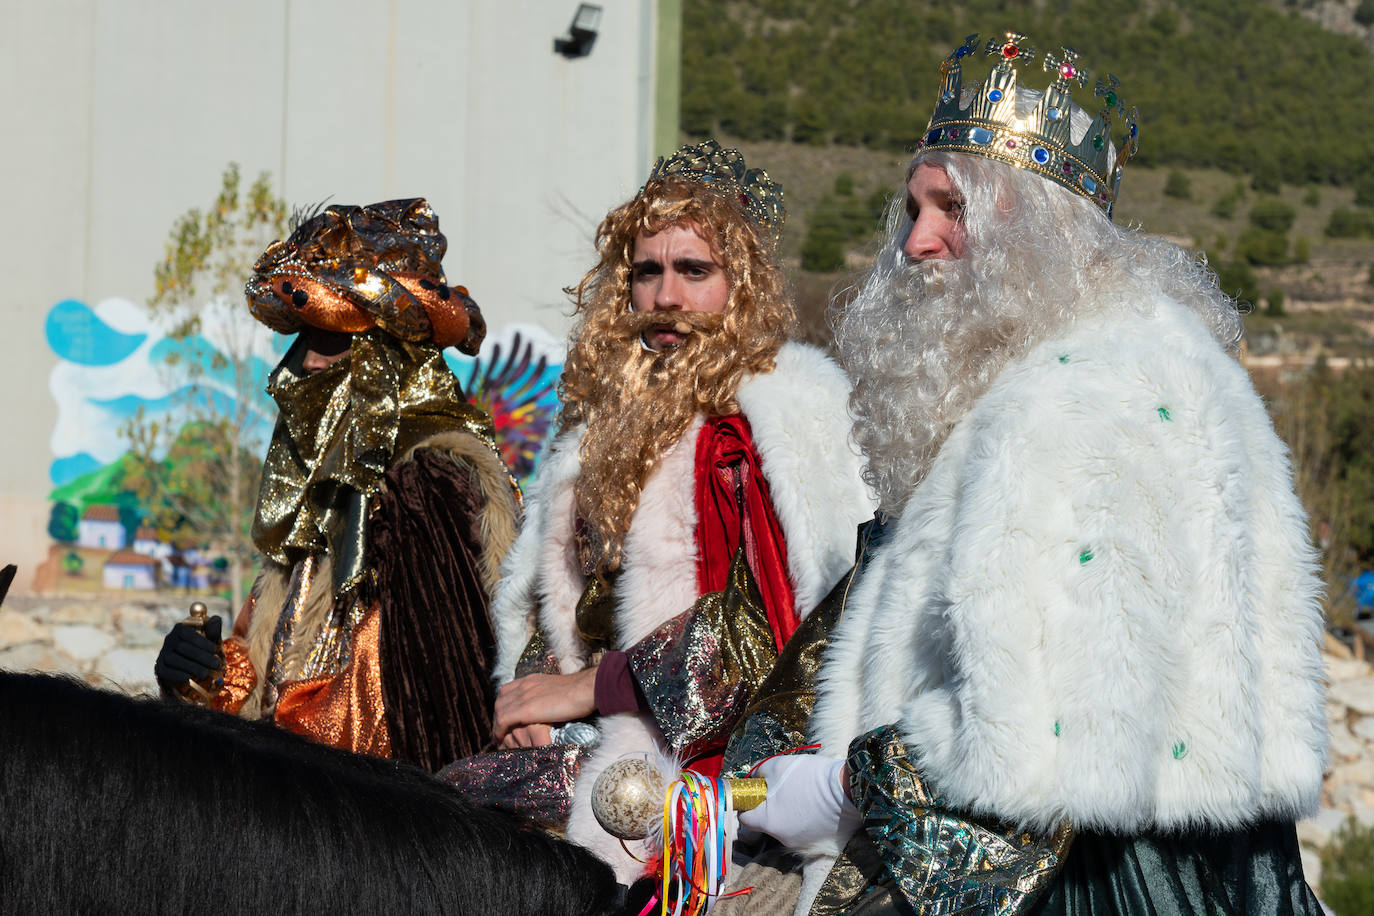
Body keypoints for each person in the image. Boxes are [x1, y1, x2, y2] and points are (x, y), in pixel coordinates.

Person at [731, 33, 1327, 915]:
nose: (917, 241)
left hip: (1087, 879)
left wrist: (836, 790)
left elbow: (1032, 746)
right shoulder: (1071, 365)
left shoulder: (1091, 392)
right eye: (913, 209)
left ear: (1040, 226)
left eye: (954, 208)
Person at [441, 139, 874, 881]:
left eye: (693, 270)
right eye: (648, 272)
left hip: (713, 763)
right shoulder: (602, 426)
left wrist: (596, 687)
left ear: (746, 283)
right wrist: (533, 702)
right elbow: (565, 599)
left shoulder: (767, 425)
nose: (666, 298)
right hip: (592, 734)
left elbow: (765, 633)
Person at [154, 198, 522, 773]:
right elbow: (276, 680)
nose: (301, 366)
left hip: (375, 838)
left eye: (328, 339)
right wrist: (206, 679)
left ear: (388, 360)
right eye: (302, 339)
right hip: (302, 827)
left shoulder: (426, 488)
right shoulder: (319, 505)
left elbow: (443, 724)